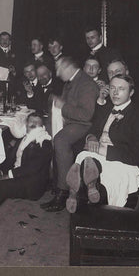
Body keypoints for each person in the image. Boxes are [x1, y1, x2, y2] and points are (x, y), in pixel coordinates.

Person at [64, 74, 139, 213]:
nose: (115, 93)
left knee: (91, 164)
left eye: (121, 89)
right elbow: (94, 129)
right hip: (102, 157)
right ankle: (89, 187)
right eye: (112, 88)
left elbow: (135, 156)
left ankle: (80, 192)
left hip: (124, 163)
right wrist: (91, 138)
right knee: (84, 155)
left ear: (131, 92)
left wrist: (102, 150)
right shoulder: (107, 108)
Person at [41, 56, 99, 212]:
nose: (58, 74)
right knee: (46, 131)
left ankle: (63, 192)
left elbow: (86, 115)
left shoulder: (86, 83)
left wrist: (63, 105)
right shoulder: (72, 80)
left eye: (59, 69)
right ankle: (54, 182)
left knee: (60, 140)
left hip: (83, 125)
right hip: (71, 121)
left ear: (68, 67)